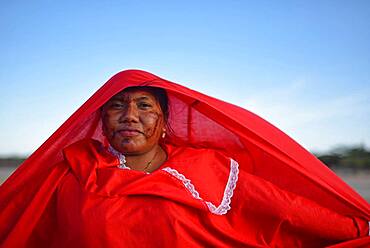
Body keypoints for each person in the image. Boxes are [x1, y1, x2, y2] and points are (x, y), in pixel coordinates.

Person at [0, 70, 369, 247]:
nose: (129, 115)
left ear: (163, 124)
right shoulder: (72, 170)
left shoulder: (209, 168)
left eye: (144, 106)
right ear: (101, 121)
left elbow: (286, 209)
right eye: (116, 106)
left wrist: (358, 231)